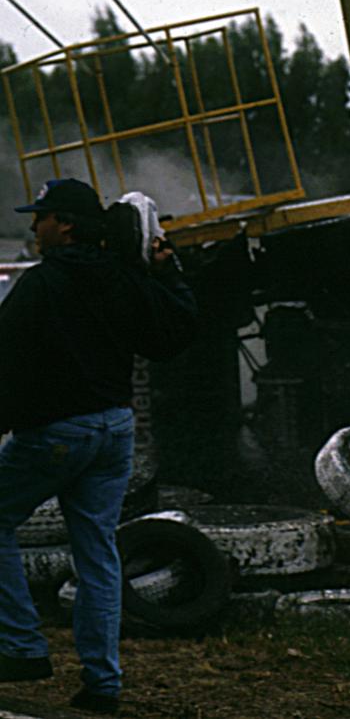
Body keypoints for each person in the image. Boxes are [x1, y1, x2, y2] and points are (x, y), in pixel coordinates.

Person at [0, 179, 196, 714]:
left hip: (57, 435)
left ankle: (20, 646)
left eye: (40, 218)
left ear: (64, 224)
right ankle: (102, 684)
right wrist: (167, 269)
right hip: (115, 431)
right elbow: (172, 335)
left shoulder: (41, 285)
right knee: (98, 555)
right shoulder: (124, 279)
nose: (33, 227)